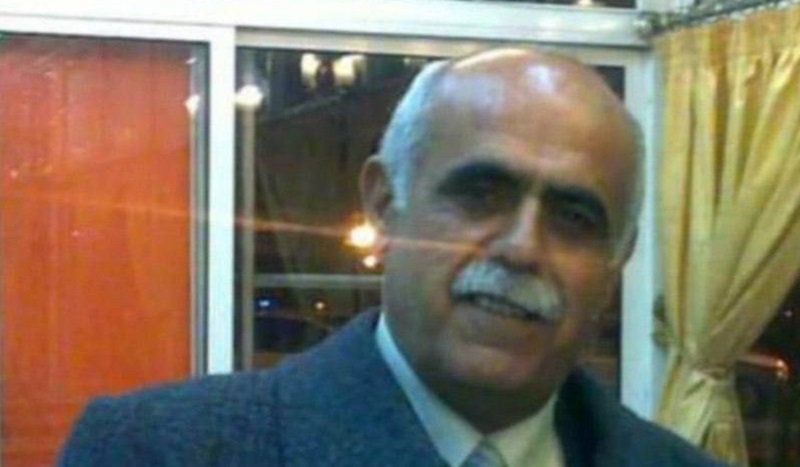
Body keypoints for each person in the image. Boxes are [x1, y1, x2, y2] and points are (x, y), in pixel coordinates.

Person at [60, 48, 726, 466]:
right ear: (383, 205)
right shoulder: (157, 450)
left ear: (617, 260)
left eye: (574, 218)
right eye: (481, 193)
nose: (523, 247)